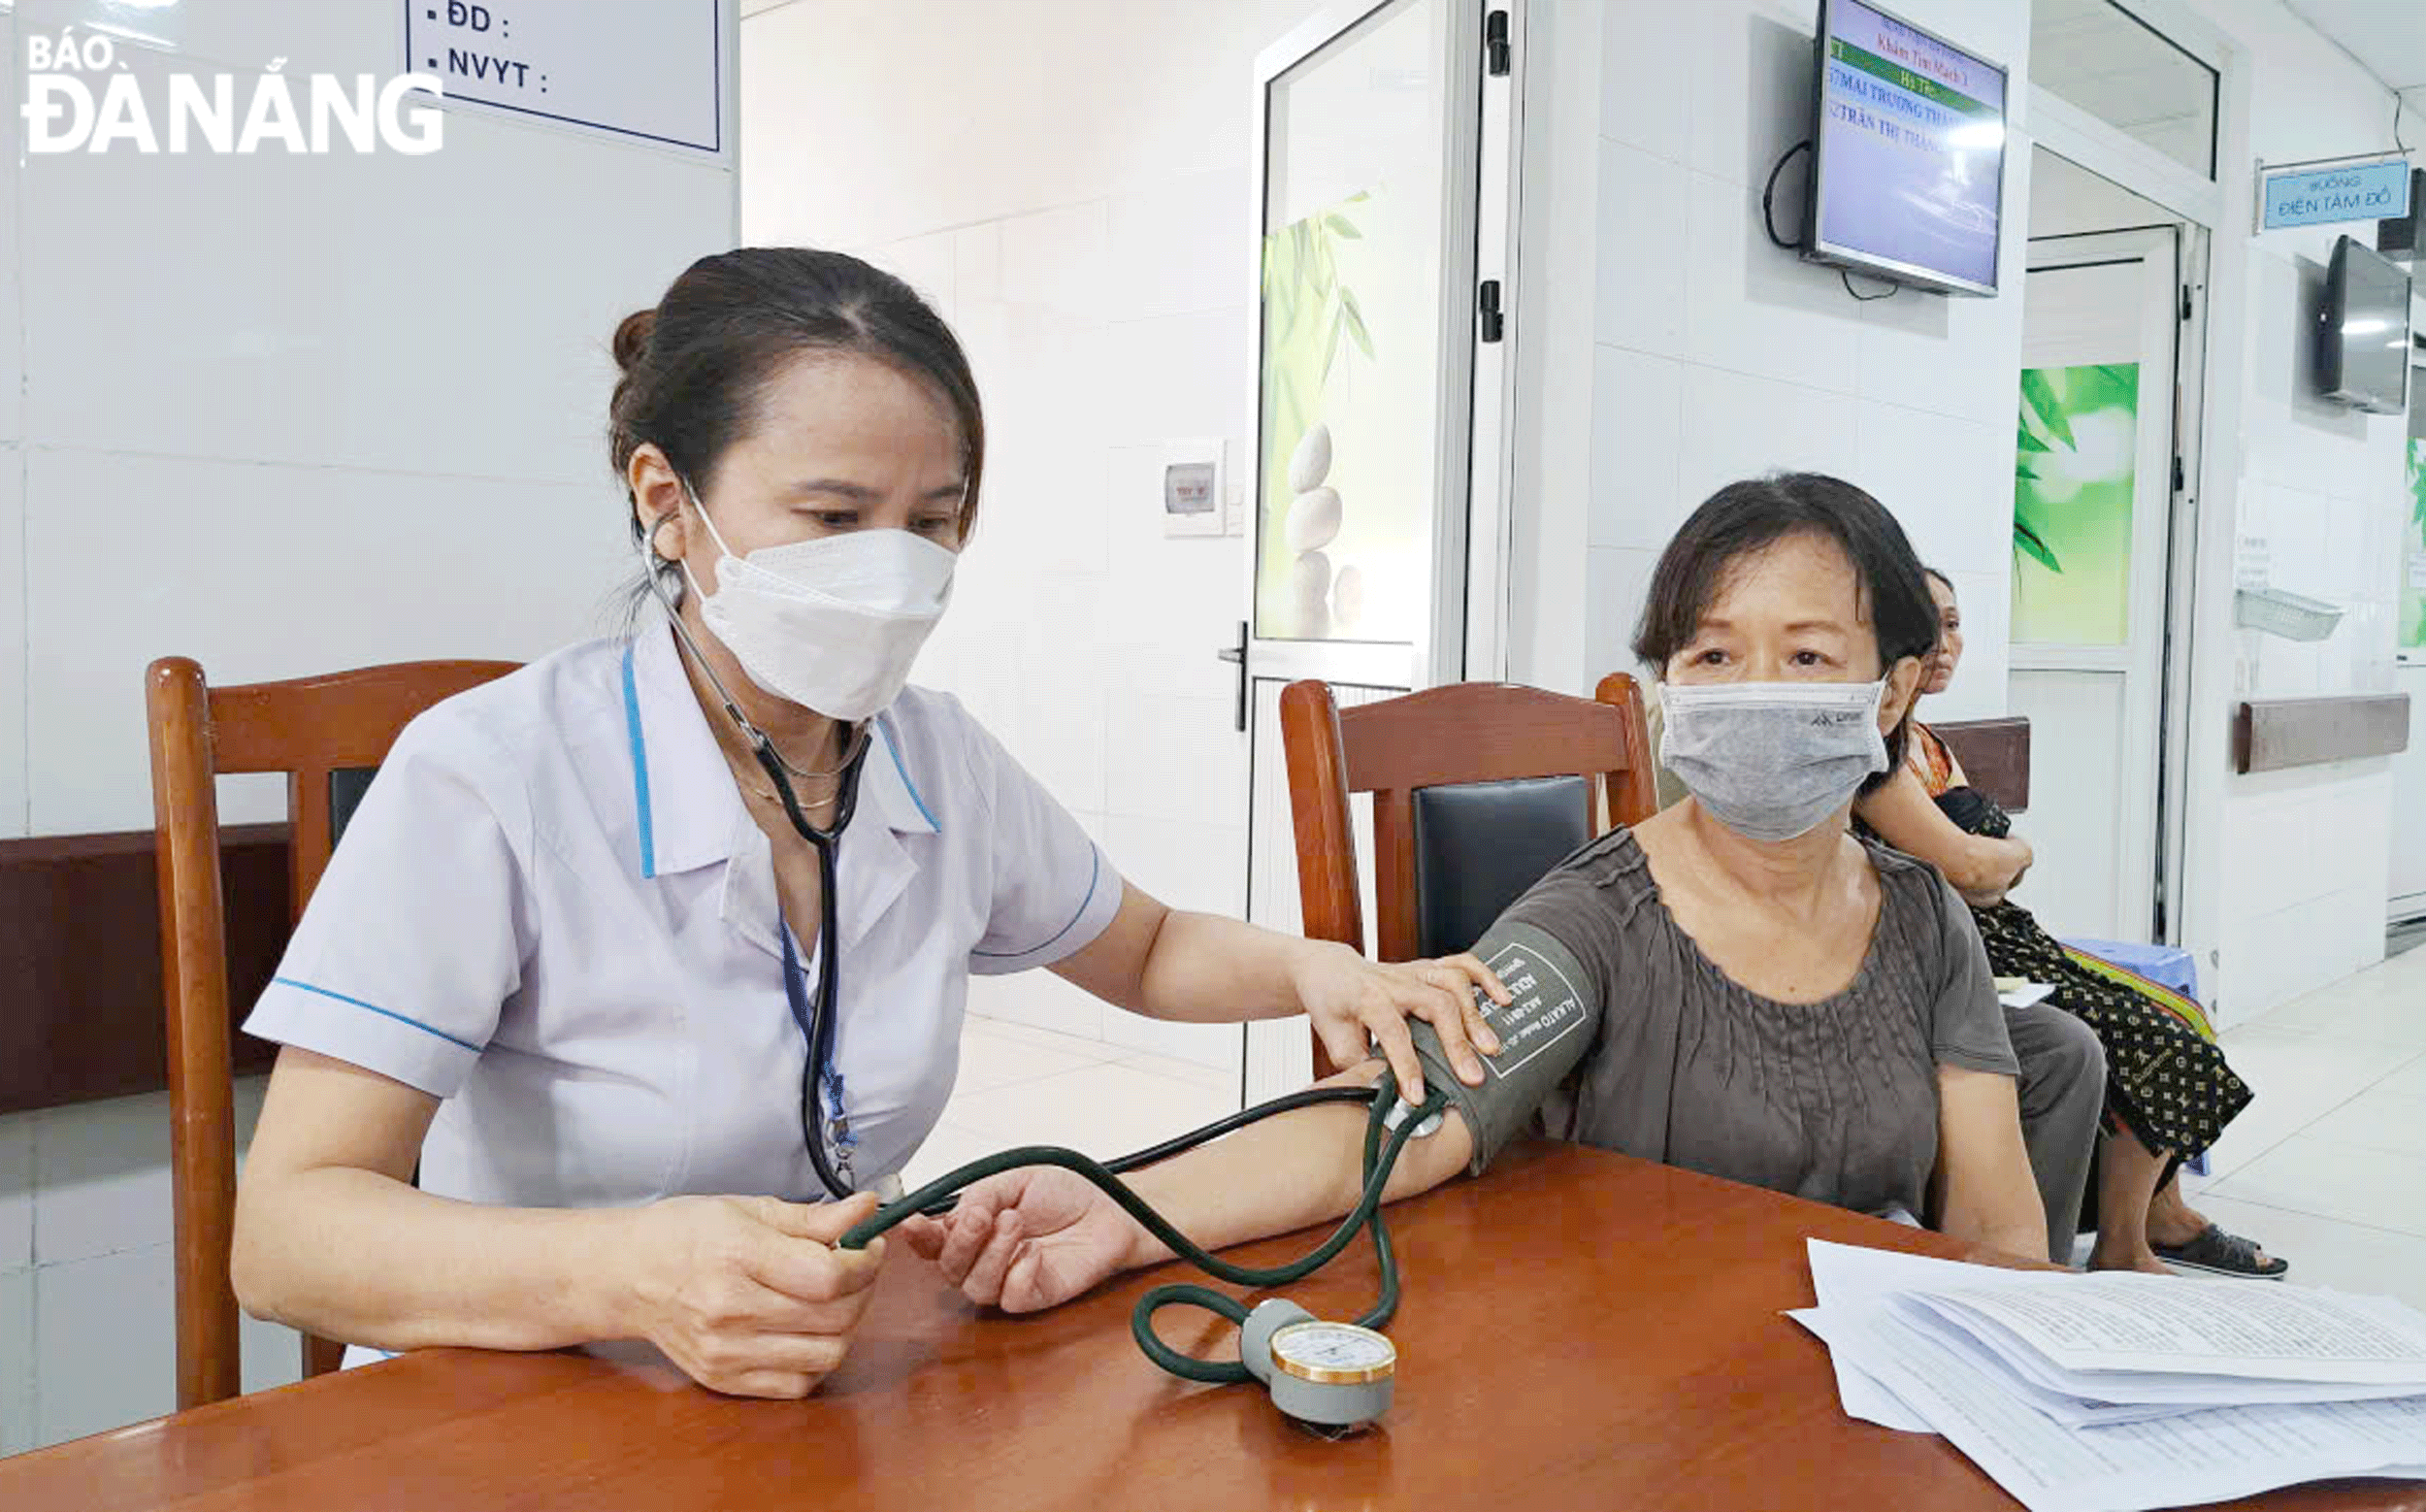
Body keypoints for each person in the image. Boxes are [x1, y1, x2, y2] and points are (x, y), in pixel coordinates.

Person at [229, 248, 1513, 1400]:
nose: (893, 568)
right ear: (666, 500)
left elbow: (1149, 945)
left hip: (826, 1397)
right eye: (835, 518)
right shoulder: (490, 775)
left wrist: (1310, 969)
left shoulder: (934, 756)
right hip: (504, 1407)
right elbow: (286, 1236)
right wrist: (630, 1271)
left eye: (934, 520)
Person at [904, 474, 2057, 1312]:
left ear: (1894, 689)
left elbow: (1997, 1223)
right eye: (1711, 657)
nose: (1755, 691)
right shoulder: (1601, 915)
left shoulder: (1920, 915)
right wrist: (1124, 1209)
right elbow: (1396, 1116)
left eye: (1806, 657)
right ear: (1668, 687)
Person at [1854, 568, 2281, 1278]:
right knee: (2155, 1040)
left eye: (1955, 623)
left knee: (2177, 1008)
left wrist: (1997, 864)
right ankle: (2123, 1242)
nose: (1943, 643)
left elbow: (1986, 870)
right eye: (1923, 625)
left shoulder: (1925, 741)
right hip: (1956, 945)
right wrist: (2011, 853)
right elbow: (1970, 869)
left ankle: (2159, 1214)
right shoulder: (1876, 751)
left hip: (2005, 930)